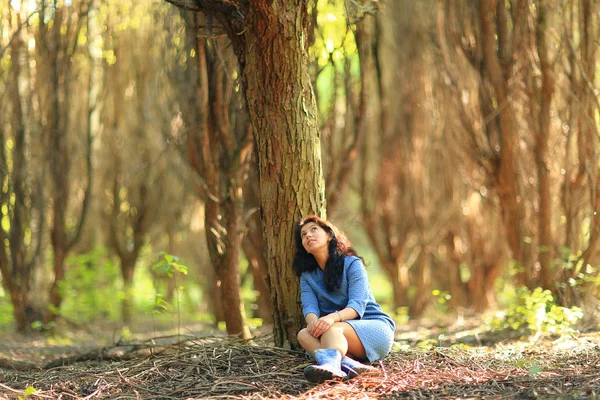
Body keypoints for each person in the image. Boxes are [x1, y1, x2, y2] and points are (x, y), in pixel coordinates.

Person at [293, 215, 396, 383]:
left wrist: (330, 319)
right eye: (303, 235)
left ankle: (332, 366)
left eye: (313, 230)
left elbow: (357, 305)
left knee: (332, 329)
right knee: (304, 335)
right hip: (336, 332)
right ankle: (349, 365)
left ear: (329, 235)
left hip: (373, 327)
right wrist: (313, 324)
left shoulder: (352, 263)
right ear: (304, 247)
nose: (308, 236)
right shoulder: (307, 276)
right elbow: (310, 307)